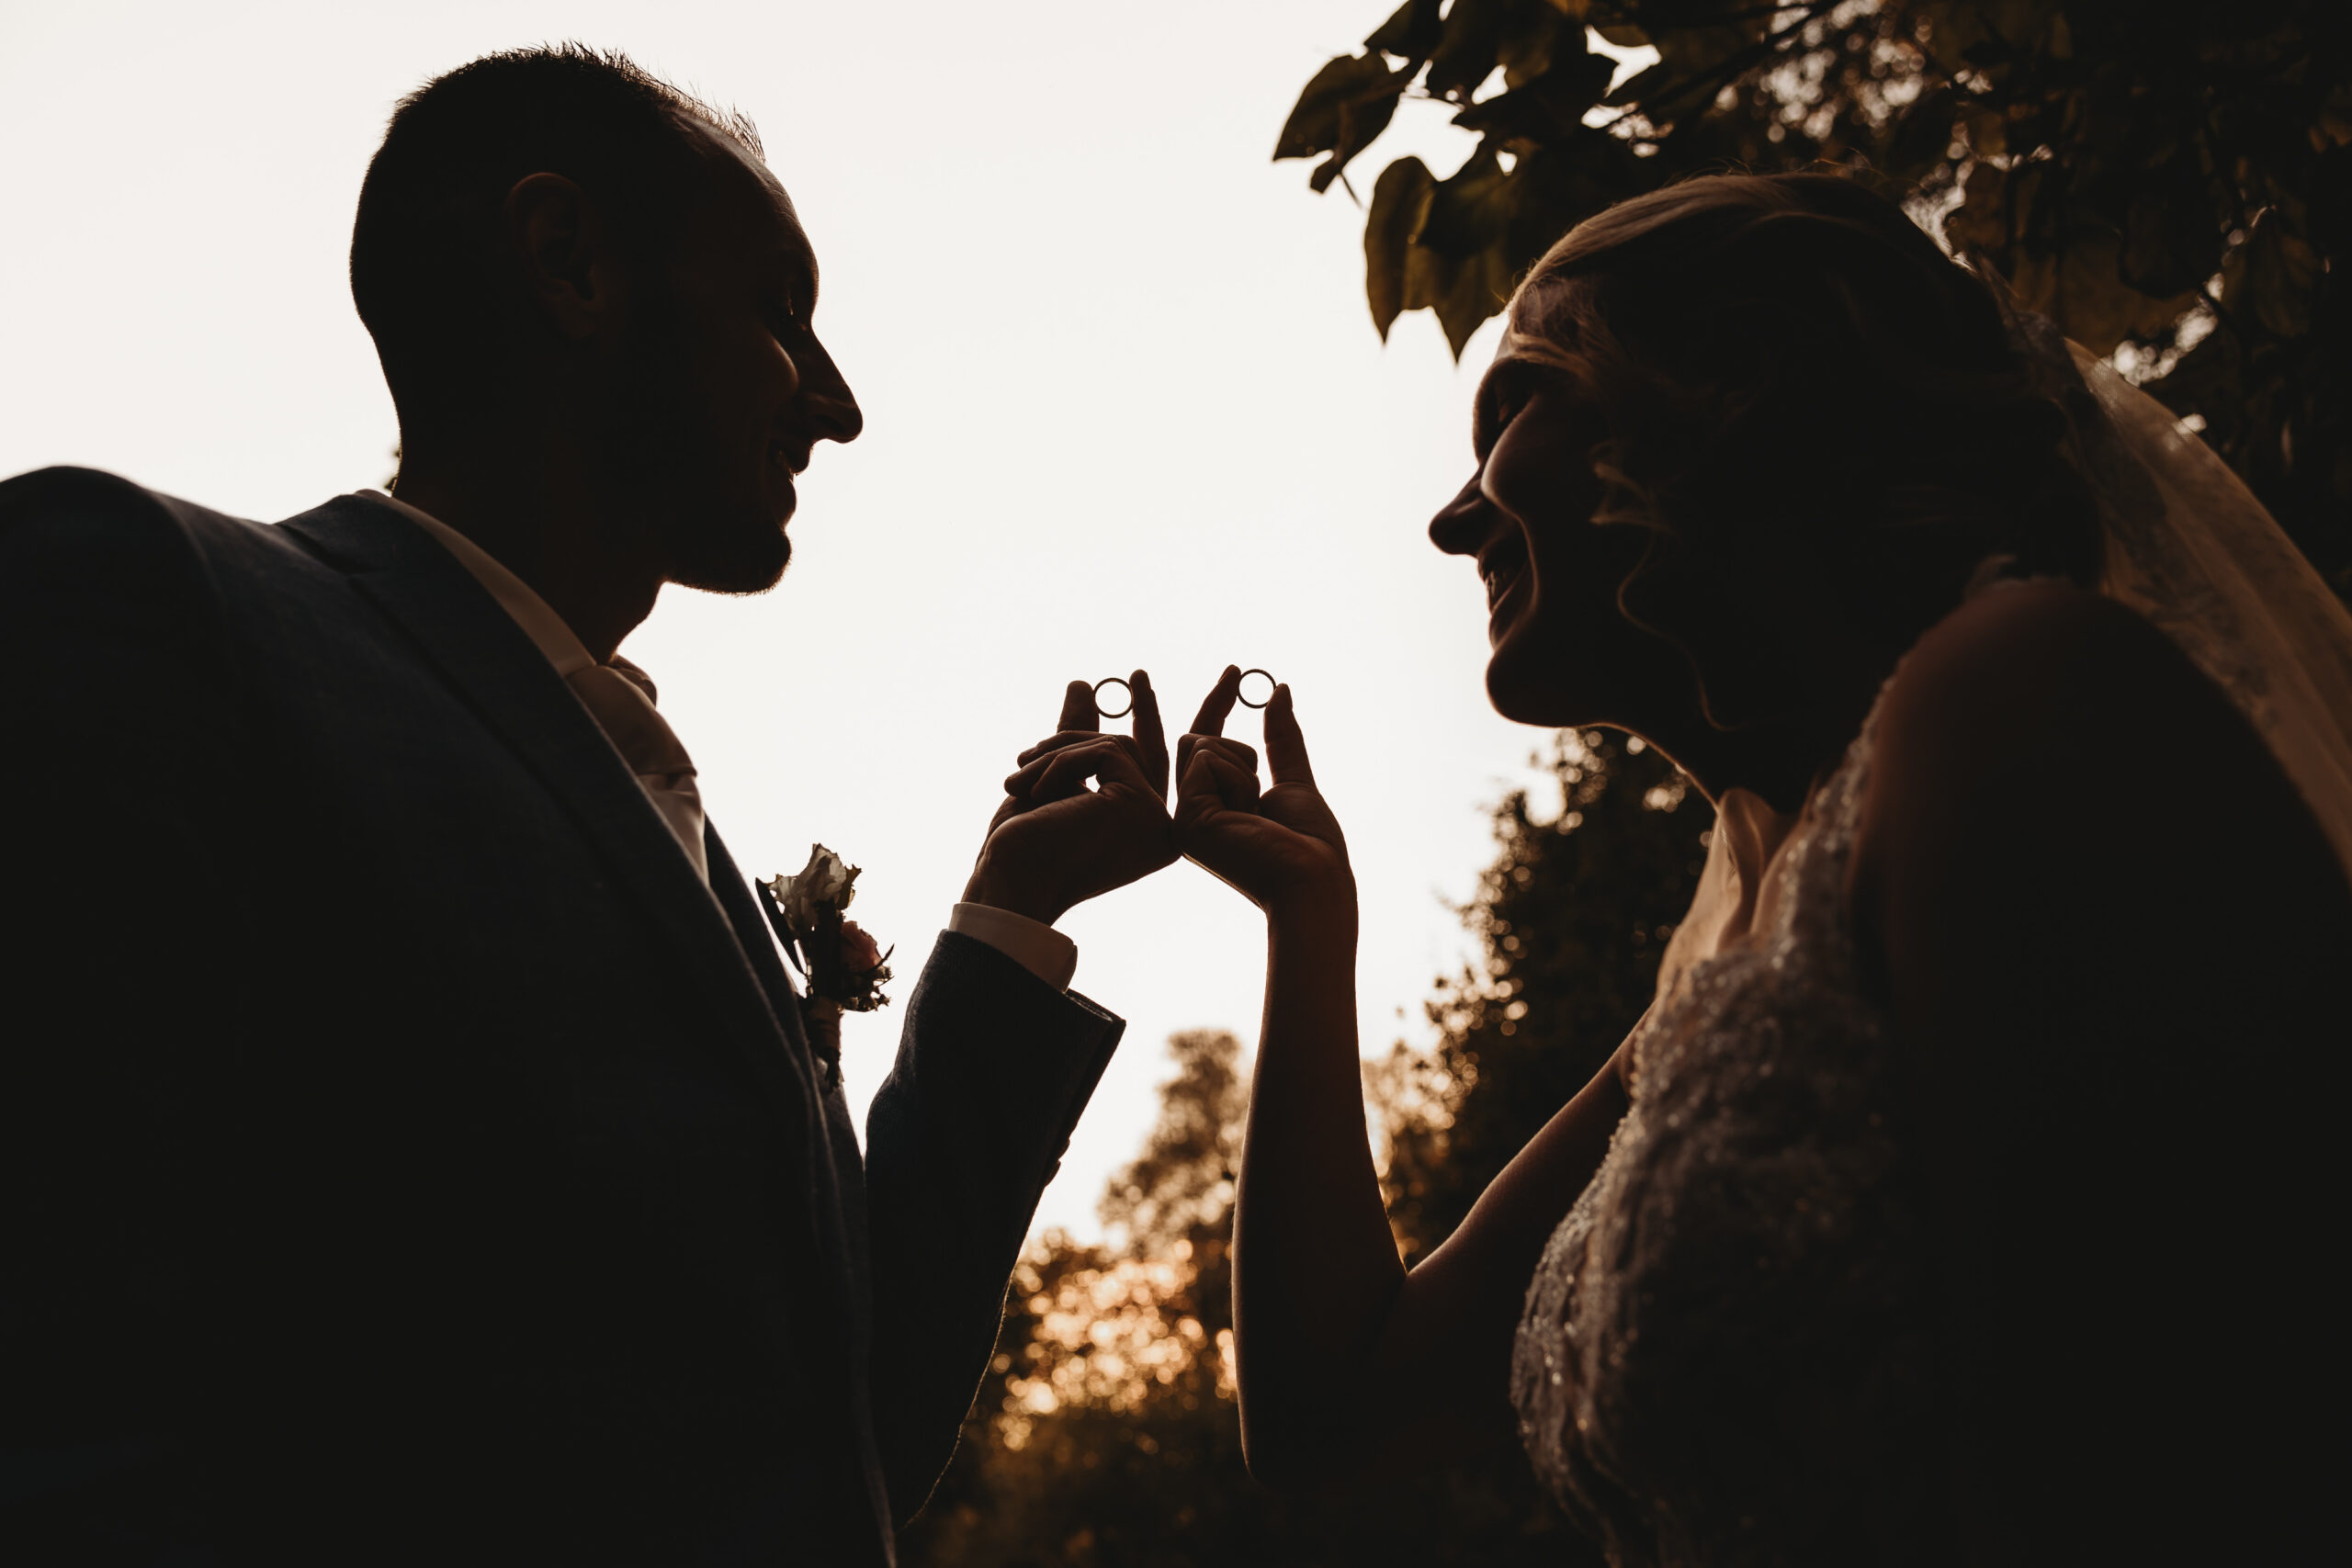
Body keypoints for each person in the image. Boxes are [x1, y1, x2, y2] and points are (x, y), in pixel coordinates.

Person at [0, 46, 1174, 1566]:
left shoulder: (665, 817)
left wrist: (1014, 919)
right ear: (569, 263)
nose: (835, 405)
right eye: (782, 309)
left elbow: (838, 1441)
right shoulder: (152, 609)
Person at [1179, 174, 2352, 1562]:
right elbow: (1334, 1408)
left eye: (1513, 411)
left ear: (1722, 390)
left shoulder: (2018, 704)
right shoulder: (1739, 974)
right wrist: (1309, 918)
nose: (1452, 520)